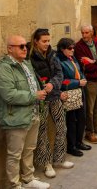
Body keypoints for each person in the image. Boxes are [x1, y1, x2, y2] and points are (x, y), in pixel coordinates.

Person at [0, 35, 50, 189]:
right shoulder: (3, 68)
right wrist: (35, 95)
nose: (25, 48)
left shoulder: (26, 63)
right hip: (15, 117)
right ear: (9, 49)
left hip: (33, 113)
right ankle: (14, 185)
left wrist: (41, 91)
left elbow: (32, 85)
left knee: (29, 150)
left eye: (25, 45)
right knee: (14, 155)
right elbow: (9, 95)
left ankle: (28, 179)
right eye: (21, 46)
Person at [28, 28, 73, 178]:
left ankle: (59, 159)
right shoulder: (30, 57)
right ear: (36, 41)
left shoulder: (53, 54)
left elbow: (59, 73)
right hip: (41, 100)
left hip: (54, 96)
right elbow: (31, 78)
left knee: (62, 127)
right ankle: (46, 164)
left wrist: (53, 84)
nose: (47, 44)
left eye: (49, 40)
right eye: (44, 41)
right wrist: (42, 88)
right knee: (42, 133)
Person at [74, 24, 97, 144]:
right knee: (89, 109)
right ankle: (90, 132)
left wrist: (95, 62)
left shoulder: (96, 42)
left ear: (91, 33)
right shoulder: (78, 46)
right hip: (90, 81)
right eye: (82, 33)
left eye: (86, 33)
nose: (84, 35)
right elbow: (85, 67)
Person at [56, 38, 91, 157]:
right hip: (70, 94)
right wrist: (77, 82)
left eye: (73, 48)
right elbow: (61, 81)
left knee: (82, 118)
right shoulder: (59, 61)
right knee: (71, 121)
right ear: (62, 49)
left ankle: (79, 141)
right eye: (69, 48)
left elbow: (79, 71)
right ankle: (71, 146)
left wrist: (82, 78)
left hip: (79, 91)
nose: (72, 50)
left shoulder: (72, 58)